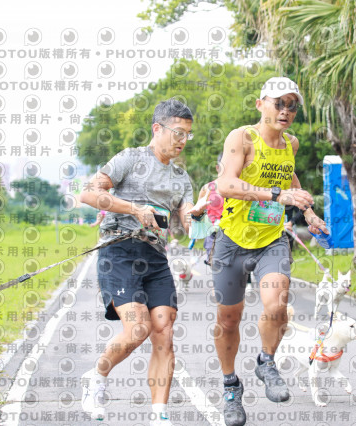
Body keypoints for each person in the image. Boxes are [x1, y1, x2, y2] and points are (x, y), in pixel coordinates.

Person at [79, 99, 207, 425]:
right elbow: (89, 194)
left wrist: (201, 216)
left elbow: (189, 223)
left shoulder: (181, 178)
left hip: (155, 258)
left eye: (187, 134)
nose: (182, 140)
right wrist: (133, 209)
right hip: (119, 251)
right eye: (178, 132)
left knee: (164, 333)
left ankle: (159, 416)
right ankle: (96, 377)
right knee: (138, 329)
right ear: (157, 129)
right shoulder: (131, 158)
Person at [212, 77, 328, 426]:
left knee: (277, 305)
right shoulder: (242, 138)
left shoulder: (291, 143)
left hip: (272, 239)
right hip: (232, 240)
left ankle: (266, 362)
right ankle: (230, 386)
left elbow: (289, 178)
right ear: (260, 103)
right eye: (279, 103)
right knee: (228, 319)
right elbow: (225, 184)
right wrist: (277, 195)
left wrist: (308, 211)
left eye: (292, 105)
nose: (285, 111)